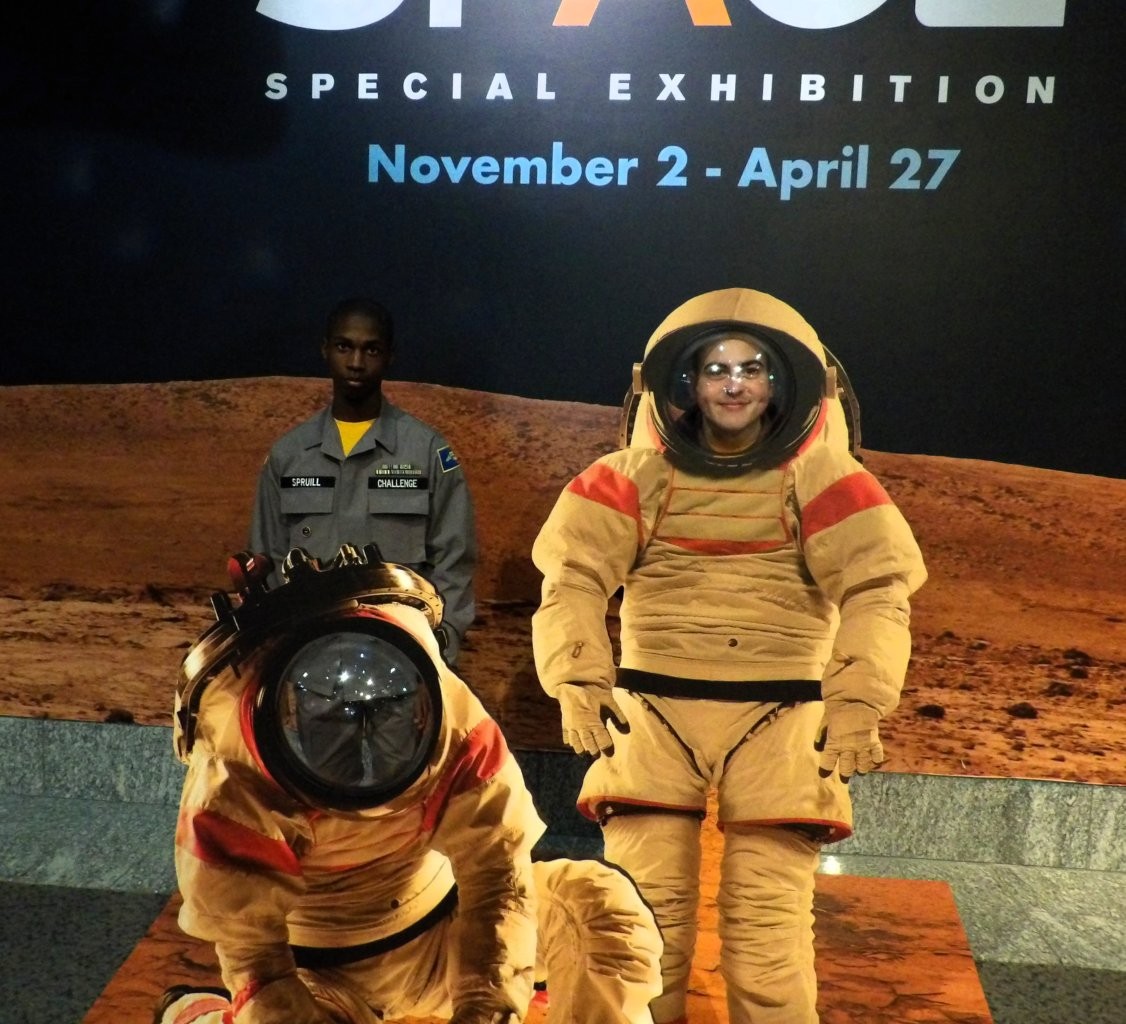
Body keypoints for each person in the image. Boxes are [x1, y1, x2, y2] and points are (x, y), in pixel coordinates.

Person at [531, 287, 927, 1024]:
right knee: (644, 926)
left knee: (767, 936)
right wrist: (576, 680)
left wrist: (859, 701)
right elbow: (573, 578)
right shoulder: (632, 476)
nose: (735, 384)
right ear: (686, 380)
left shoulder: (824, 479)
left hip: (782, 717)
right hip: (654, 712)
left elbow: (878, 589)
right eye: (717, 369)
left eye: (752, 368)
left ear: (782, 382)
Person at [160, 543, 663, 1024]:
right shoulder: (236, 776)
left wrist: (489, 1006)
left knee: (597, 907)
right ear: (278, 708)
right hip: (321, 975)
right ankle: (201, 1014)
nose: (358, 724)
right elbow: (258, 965)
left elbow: (497, 880)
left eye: (382, 705)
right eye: (328, 709)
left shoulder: (451, 721)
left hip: (447, 933)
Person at [249, 296, 475, 666]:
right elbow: (268, 560)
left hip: (402, 664)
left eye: (371, 350)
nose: (356, 362)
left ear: (390, 356)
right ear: (325, 350)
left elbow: (455, 559)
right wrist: (281, 649)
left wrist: (439, 643)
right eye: (344, 347)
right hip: (312, 666)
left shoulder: (427, 453)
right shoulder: (288, 456)